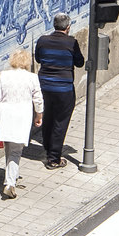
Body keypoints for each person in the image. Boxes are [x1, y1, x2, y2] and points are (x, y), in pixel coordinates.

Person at [33, 13, 86, 168]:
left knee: (48, 118)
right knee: (60, 122)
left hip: (44, 87)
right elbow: (80, 62)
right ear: (68, 27)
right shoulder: (71, 43)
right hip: (64, 89)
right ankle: (54, 158)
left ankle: (48, 147)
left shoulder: (42, 41)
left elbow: (38, 58)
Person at [0, 48, 44, 200]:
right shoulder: (32, 78)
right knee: (16, 150)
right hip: (21, 116)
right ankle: (10, 183)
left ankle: (10, 176)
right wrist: (39, 114)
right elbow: (38, 98)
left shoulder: (4, 76)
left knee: (9, 145)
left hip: (5, 114)